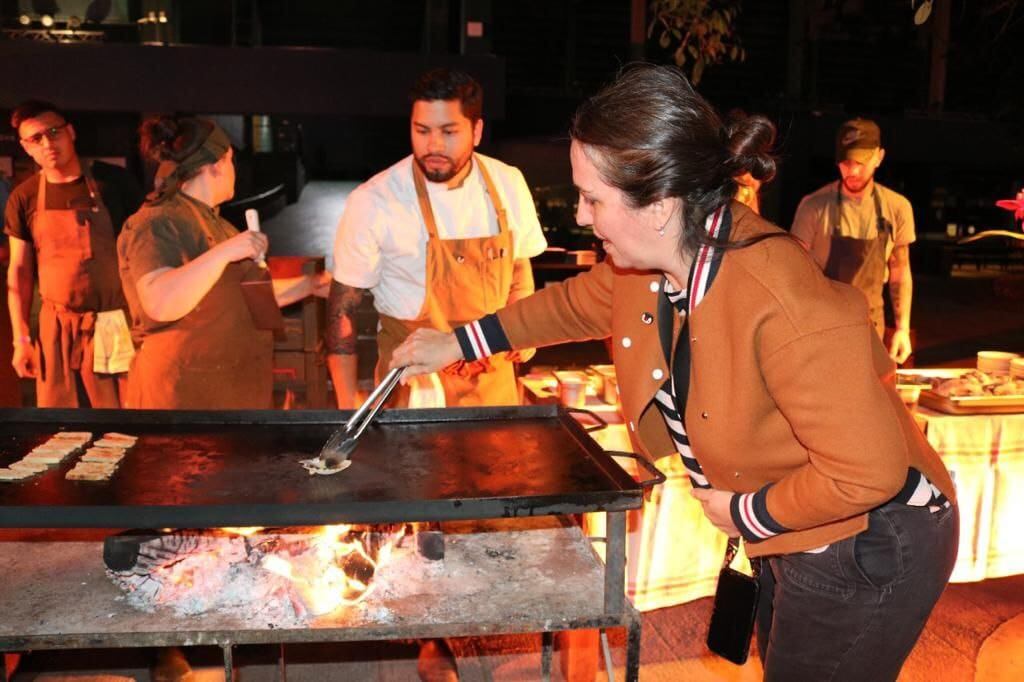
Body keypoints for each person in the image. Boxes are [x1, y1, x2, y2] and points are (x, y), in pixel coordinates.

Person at [391, 64, 959, 682]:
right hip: (795, 517)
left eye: (593, 199)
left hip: (867, 535)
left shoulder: (786, 301)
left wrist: (747, 513)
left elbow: (866, 473)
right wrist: (456, 342)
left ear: (659, 205)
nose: (581, 216)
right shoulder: (664, 257)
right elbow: (575, 303)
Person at [327, 68, 547, 409]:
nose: (433, 145)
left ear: (476, 131)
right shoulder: (374, 200)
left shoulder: (507, 184)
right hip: (413, 387)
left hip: (493, 385)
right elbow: (342, 310)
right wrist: (345, 407)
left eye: (448, 131)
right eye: (422, 131)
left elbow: (519, 263)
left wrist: (520, 321)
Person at [118, 116, 328, 410]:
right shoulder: (157, 222)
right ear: (217, 163)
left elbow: (241, 297)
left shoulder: (218, 225)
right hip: (183, 402)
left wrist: (311, 284)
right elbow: (160, 302)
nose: (234, 171)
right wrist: (225, 252)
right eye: (231, 160)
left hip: (231, 394)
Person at [4, 100, 144, 407]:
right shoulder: (23, 198)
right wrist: (22, 339)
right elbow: (20, 271)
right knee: (61, 425)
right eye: (35, 139)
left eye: (54, 132)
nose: (47, 143)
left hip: (114, 324)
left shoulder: (113, 183)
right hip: (56, 330)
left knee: (121, 421)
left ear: (71, 132)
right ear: (26, 148)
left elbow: (145, 251)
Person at [791, 118, 915, 363]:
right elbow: (795, 272)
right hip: (822, 329)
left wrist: (902, 328)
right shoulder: (813, 206)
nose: (854, 171)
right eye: (846, 163)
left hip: (872, 328)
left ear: (879, 157)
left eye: (862, 162)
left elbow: (900, 270)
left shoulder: (897, 207)